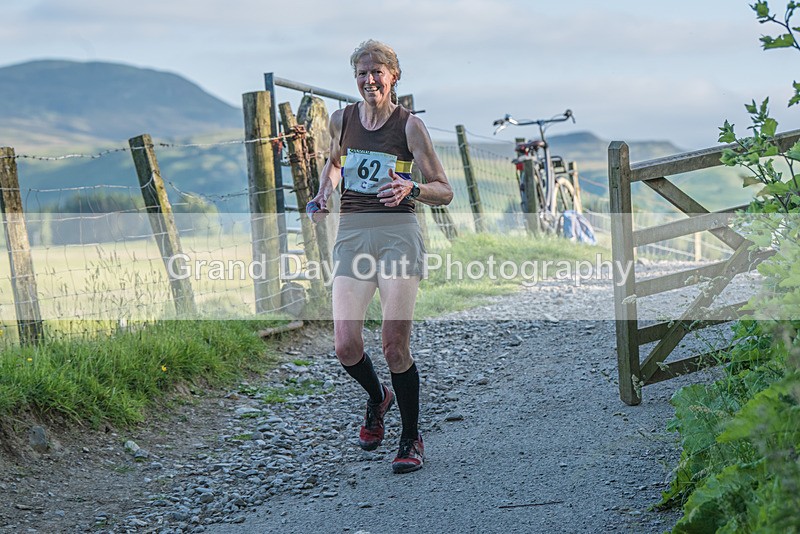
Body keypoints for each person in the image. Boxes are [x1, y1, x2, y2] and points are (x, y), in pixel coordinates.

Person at [310, 39, 453, 474]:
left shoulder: (410, 127)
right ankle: (378, 399)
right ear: (355, 78)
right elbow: (335, 163)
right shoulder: (341, 120)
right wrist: (324, 191)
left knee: (393, 346)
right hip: (353, 234)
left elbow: (444, 190)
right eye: (362, 73)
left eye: (378, 72)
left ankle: (411, 437)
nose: (369, 80)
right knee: (346, 345)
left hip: (397, 234)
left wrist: (413, 188)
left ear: (393, 76)